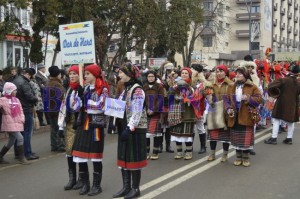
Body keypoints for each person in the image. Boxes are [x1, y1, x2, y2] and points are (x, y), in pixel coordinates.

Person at [71, 64, 109, 196]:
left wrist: (86, 102)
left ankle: (96, 186)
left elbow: (102, 106)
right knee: (80, 156)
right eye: (85, 74)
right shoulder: (84, 88)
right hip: (83, 124)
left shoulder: (103, 89)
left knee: (95, 157)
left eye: (87, 74)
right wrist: (78, 95)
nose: (85, 76)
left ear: (94, 75)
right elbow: (75, 108)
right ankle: (85, 184)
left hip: (95, 126)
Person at [113, 62, 147, 199]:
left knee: (133, 158)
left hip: (134, 129)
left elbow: (137, 111)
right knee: (124, 157)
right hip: (124, 127)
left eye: (121, 72)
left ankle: (135, 188)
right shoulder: (126, 89)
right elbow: (119, 106)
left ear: (129, 74)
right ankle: (126, 187)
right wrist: (113, 121)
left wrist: (129, 127)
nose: (119, 74)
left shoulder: (137, 90)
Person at [225, 66, 262, 167]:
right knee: (236, 137)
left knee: (245, 138)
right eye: (237, 73)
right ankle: (238, 157)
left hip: (246, 115)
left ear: (245, 75)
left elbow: (259, 99)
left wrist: (248, 98)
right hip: (234, 115)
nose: (238, 75)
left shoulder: (252, 86)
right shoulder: (231, 86)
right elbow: (226, 99)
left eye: (240, 74)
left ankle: (245, 158)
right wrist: (228, 108)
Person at [57, 65, 83, 190]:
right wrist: (60, 126)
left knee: (80, 152)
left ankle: (82, 179)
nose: (72, 76)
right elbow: (63, 107)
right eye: (70, 74)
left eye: (75, 73)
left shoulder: (83, 89)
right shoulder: (68, 90)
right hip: (69, 124)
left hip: (81, 124)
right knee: (69, 151)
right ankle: (72, 178)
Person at [264, 64, 300, 145]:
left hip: (281, 103)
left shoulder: (284, 80)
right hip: (293, 105)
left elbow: (271, 85)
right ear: (298, 74)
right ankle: (289, 138)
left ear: (290, 71)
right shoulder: (298, 83)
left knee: (276, 120)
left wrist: (275, 93)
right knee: (291, 122)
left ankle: (273, 138)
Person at [206, 65, 233, 162]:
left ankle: (225, 155)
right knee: (213, 134)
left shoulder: (231, 84)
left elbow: (232, 98)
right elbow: (207, 94)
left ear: (225, 72)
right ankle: (212, 154)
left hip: (225, 112)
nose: (219, 73)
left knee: (225, 136)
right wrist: (208, 97)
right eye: (217, 71)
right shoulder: (211, 84)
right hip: (214, 111)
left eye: (221, 71)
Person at [168, 68, 196, 160]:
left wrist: (188, 94)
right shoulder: (175, 84)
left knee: (187, 132)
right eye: (182, 73)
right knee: (177, 132)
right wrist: (173, 89)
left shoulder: (192, 85)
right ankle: (179, 151)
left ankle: (189, 152)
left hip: (188, 112)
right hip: (176, 110)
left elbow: (195, 97)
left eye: (186, 73)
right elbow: (170, 94)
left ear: (189, 75)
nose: (184, 75)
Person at [13, 68, 39, 160]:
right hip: (26, 108)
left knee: (19, 132)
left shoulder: (16, 80)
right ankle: (27, 153)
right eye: (31, 76)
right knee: (27, 132)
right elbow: (29, 96)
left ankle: (18, 153)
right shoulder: (24, 82)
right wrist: (36, 99)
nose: (31, 78)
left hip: (18, 109)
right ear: (28, 74)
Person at [0, 82, 28, 164]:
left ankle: (0, 156)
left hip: (17, 122)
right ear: (9, 91)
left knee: (11, 141)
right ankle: (21, 158)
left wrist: (22, 118)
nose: (16, 92)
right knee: (20, 138)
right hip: (9, 122)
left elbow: (21, 110)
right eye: (14, 90)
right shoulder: (2, 100)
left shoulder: (17, 99)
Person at [143, 70, 164, 160]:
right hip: (146, 112)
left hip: (156, 113)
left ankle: (155, 152)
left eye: (152, 76)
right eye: (149, 76)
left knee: (156, 134)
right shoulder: (144, 86)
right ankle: (146, 152)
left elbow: (160, 99)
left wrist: (153, 109)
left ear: (155, 77)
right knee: (146, 134)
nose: (150, 78)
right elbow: (142, 99)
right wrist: (145, 109)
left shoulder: (159, 86)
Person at [44, 66, 65, 152]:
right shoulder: (57, 84)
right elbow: (61, 96)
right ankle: (60, 145)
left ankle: (54, 145)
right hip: (57, 109)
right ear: (57, 74)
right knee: (59, 127)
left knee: (53, 128)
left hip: (50, 109)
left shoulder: (48, 83)